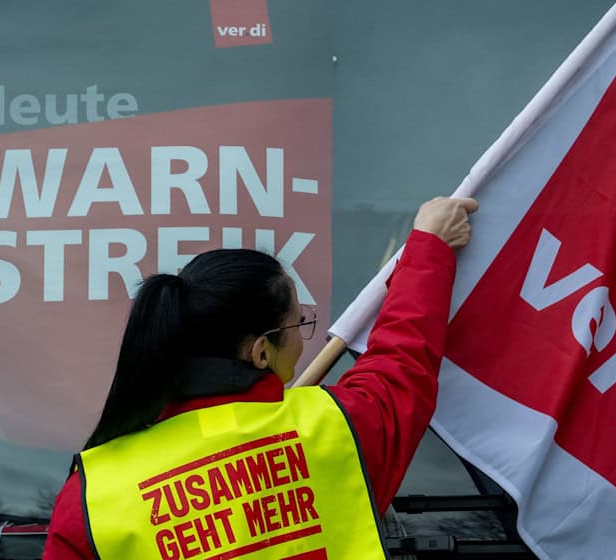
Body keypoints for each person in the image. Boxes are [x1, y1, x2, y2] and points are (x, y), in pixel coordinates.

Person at [42, 196, 479, 560]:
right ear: (261, 351)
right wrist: (429, 247)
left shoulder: (93, 496)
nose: (306, 333)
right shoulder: (337, 432)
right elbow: (403, 360)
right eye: (299, 323)